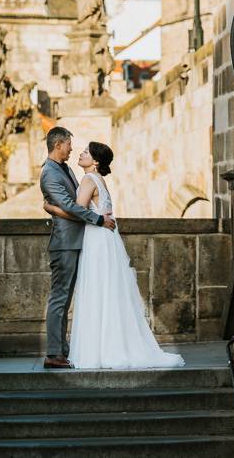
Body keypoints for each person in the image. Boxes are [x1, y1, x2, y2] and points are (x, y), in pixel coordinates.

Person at [43, 141, 185, 369]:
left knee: (97, 290)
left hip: (97, 238)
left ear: (96, 161)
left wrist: (51, 209)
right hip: (104, 238)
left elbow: (76, 212)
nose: (81, 153)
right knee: (107, 290)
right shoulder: (101, 180)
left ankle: (99, 349)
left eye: (87, 152)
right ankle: (110, 344)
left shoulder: (89, 179)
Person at [40, 126, 115, 370]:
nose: (72, 149)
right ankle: (53, 352)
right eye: (69, 144)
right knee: (60, 298)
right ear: (58, 144)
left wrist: (51, 209)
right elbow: (71, 207)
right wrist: (98, 220)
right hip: (65, 244)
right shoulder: (49, 173)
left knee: (65, 298)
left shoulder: (66, 169)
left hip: (77, 242)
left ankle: (61, 350)